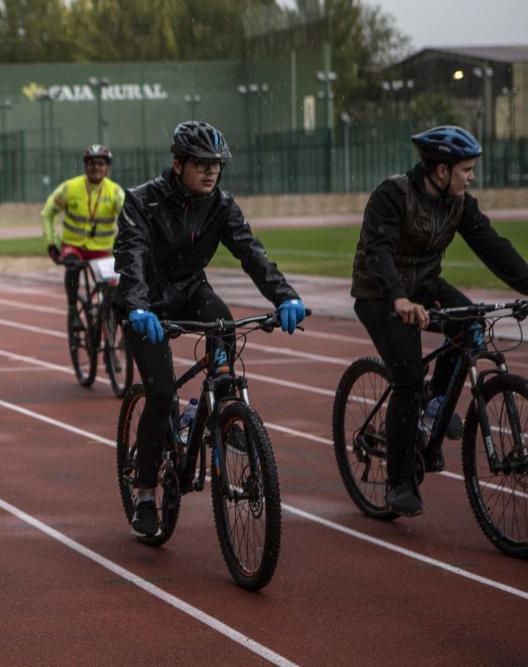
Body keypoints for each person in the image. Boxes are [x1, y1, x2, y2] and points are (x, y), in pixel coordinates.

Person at [113, 120, 307, 538]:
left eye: (217, 164)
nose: (211, 171)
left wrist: (284, 296)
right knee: (161, 393)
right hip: (145, 301)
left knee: (224, 325)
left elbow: (251, 252)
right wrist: (137, 307)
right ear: (178, 164)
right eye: (201, 163)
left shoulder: (221, 204)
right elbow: (130, 258)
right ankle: (146, 494)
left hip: (191, 291)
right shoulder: (141, 201)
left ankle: (225, 409)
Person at [351, 125, 528, 517]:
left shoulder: (459, 203)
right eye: (466, 169)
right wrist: (397, 297)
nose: (472, 176)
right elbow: (377, 250)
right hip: (379, 294)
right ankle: (399, 481)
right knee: (408, 378)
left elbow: (493, 246)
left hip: (425, 284)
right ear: (442, 170)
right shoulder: (392, 195)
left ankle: (435, 404)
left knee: (472, 326)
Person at [41, 144, 125, 327]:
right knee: (72, 268)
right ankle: (73, 310)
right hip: (74, 246)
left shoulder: (116, 192)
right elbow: (47, 213)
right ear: (85, 165)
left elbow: (128, 220)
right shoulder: (69, 188)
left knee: (113, 287)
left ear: (107, 167)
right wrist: (51, 243)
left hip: (102, 250)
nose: (95, 167)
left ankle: (106, 318)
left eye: (100, 164)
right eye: (91, 163)